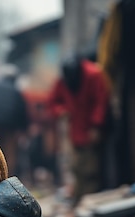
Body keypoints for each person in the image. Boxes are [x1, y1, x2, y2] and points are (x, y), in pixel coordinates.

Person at [47, 54, 110, 205]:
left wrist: (96, 125)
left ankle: (90, 199)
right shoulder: (64, 80)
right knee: (76, 167)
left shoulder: (93, 75)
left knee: (91, 169)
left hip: (90, 129)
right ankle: (80, 200)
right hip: (75, 130)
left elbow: (100, 102)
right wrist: (61, 111)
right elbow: (52, 102)